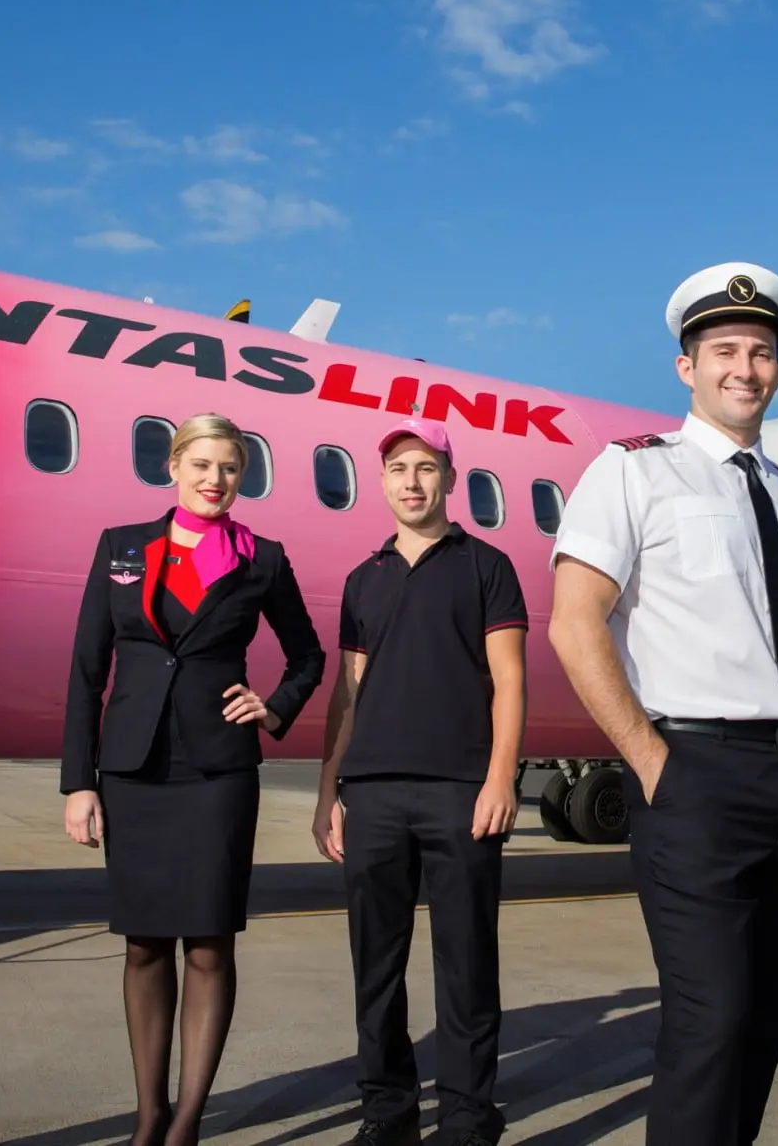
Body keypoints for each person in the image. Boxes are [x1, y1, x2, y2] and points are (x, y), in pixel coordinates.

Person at [548, 262, 778, 1146]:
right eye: (724, 351)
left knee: (762, 1023)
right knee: (709, 1019)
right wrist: (651, 761)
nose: (744, 369)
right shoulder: (634, 472)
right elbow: (575, 623)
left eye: (761, 353)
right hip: (697, 773)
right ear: (687, 366)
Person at [60, 413, 325, 1146]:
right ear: (173, 467)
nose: (215, 480)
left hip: (218, 771)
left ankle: (185, 1123)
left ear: (243, 477)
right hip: (133, 769)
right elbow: (88, 671)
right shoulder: (122, 548)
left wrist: (272, 709)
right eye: (201, 464)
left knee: (210, 944)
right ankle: (147, 1117)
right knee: (142, 943)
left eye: (230, 468)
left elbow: (308, 655)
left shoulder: (262, 558)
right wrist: (77, 782)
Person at [311, 419, 528, 1146]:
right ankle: (388, 1115)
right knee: (376, 969)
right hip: (371, 793)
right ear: (381, 482)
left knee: (467, 965)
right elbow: (347, 693)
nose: (412, 481)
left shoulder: (486, 566)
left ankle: (468, 1119)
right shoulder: (362, 579)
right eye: (399, 468)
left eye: (426, 468)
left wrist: (502, 778)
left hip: (461, 792)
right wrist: (327, 794)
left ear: (448, 479)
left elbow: (510, 679)